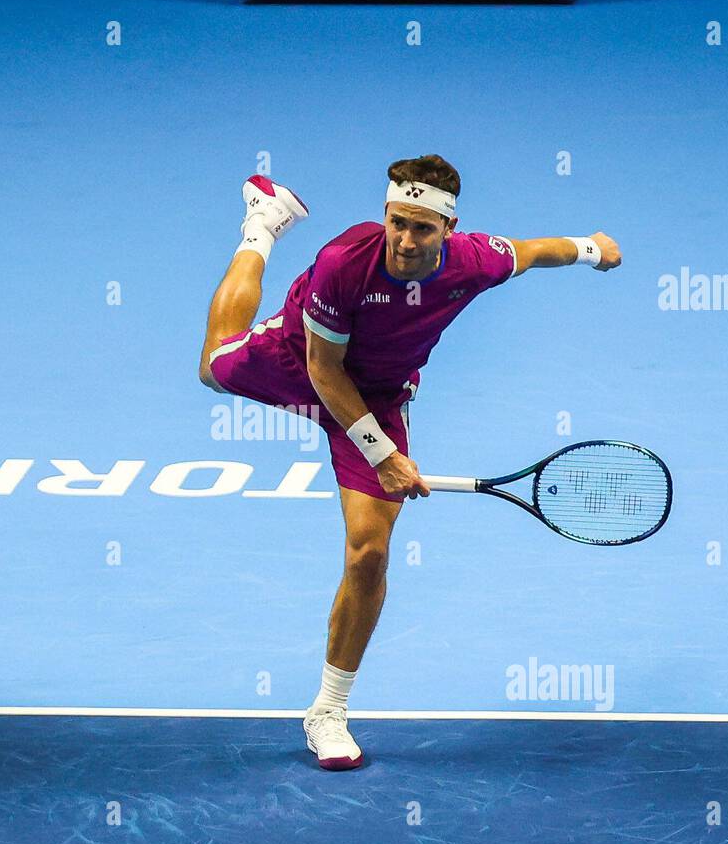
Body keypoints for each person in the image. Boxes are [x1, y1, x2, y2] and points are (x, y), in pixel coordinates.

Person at [197, 154, 621, 770]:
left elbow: (529, 252)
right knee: (212, 367)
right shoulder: (345, 263)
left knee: (369, 551)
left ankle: (328, 711)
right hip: (304, 357)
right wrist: (385, 455)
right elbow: (324, 370)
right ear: (387, 214)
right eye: (397, 222)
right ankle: (261, 228)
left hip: (381, 393)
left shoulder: (476, 261)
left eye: (422, 228)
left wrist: (589, 247)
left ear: (449, 229)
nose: (405, 239)